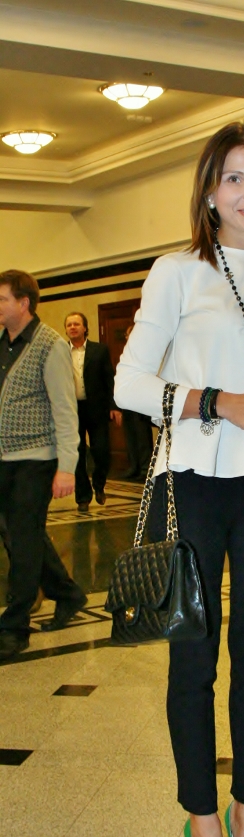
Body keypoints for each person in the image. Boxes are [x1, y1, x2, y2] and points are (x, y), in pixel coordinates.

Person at [114, 121, 244, 837]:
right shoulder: (177, 272)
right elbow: (130, 383)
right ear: (209, 191)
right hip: (191, 481)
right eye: (234, 177)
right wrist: (221, 403)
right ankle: (202, 823)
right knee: (193, 663)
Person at [0, 271, 87, 657]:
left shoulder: (50, 345)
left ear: (24, 303)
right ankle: (67, 594)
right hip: (4, 456)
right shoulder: (2, 343)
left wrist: (67, 466)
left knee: (22, 537)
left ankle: (15, 626)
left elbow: (66, 411)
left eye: (2, 299)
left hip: (36, 458)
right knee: (20, 532)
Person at [65, 312, 122, 512]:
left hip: (96, 408)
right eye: (69, 325)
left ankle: (99, 484)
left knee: (101, 451)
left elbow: (109, 379)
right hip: (72, 410)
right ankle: (83, 496)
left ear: (85, 328)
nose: (73, 327)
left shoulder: (99, 350)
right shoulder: (61, 351)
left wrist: (114, 406)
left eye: (76, 324)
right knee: (77, 454)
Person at [119, 324, 154, 481]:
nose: (128, 338)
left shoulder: (148, 354)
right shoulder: (125, 355)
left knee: (142, 436)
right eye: (127, 335)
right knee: (130, 436)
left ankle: (146, 468)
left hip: (142, 400)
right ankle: (134, 467)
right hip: (127, 401)